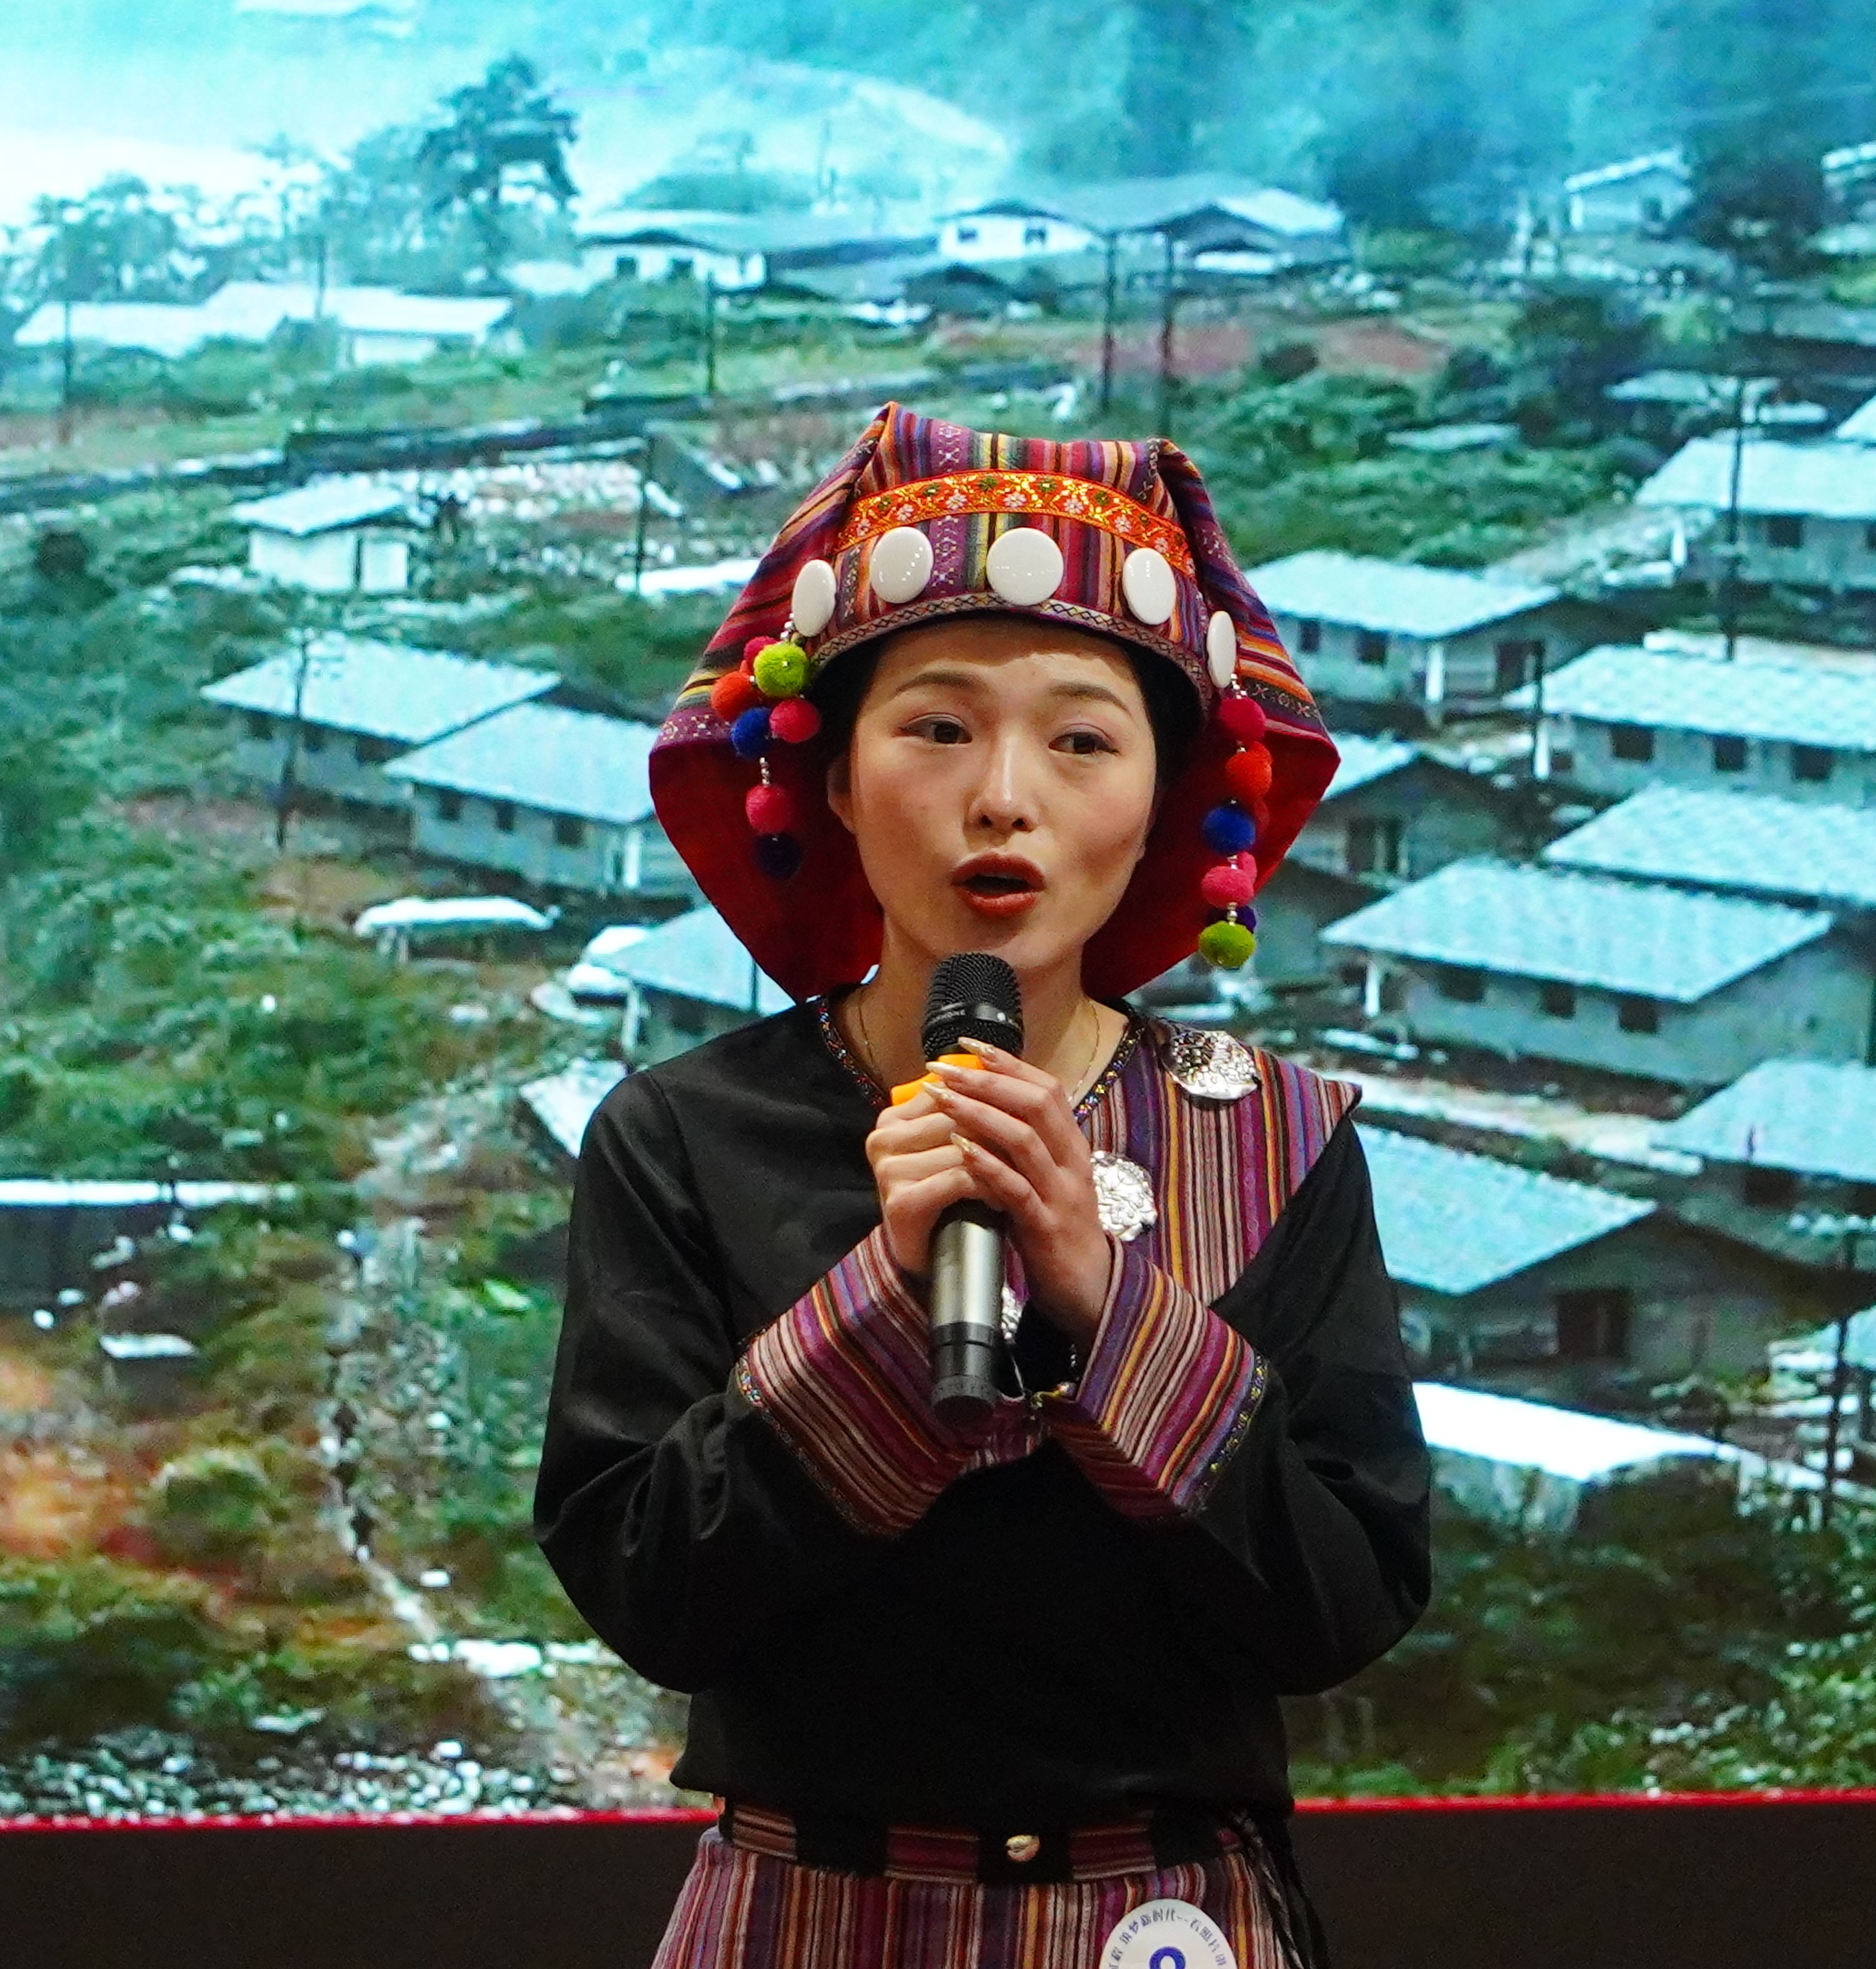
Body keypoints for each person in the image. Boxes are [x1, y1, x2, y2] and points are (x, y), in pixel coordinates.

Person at [536, 405, 1431, 1969]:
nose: (1004, 796)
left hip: (1165, 1922)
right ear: (827, 778)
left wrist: (1104, 1302)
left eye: (1082, 740)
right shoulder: (685, 1134)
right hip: (802, 1917)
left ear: (1165, 802)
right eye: (938, 729)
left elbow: (1343, 1607)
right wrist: (887, 1302)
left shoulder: (1273, 1138)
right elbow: (648, 1594)